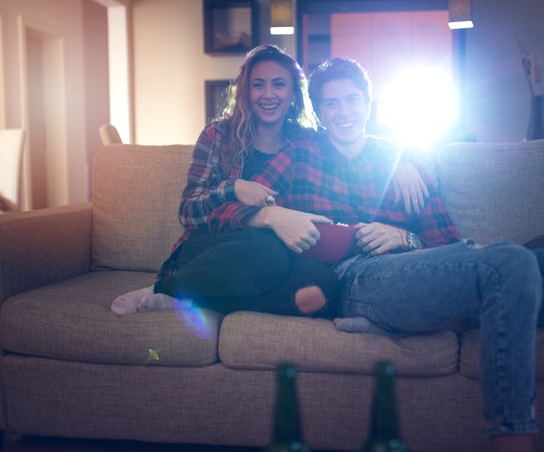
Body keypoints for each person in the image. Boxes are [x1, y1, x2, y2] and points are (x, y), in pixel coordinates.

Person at [210, 57, 544, 452]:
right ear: (318, 111)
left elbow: (445, 245)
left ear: (368, 103)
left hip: (418, 272)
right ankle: (512, 435)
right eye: (330, 103)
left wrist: (403, 238)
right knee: (510, 263)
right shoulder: (299, 155)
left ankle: (444, 317)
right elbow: (228, 209)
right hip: (355, 278)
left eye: (351, 99)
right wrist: (270, 214)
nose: (342, 111)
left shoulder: (402, 160)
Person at [112, 45, 425, 318]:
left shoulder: (304, 140)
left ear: (293, 93)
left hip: (280, 250)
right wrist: (233, 188)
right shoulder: (217, 136)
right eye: (258, 85)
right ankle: (164, 288)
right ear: (245, 91)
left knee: (323, 286)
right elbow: (188, 212)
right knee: (268, 251)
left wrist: (400, 158)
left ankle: (202, 302)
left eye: (279, 84)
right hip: (215, 247)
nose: (268, 94)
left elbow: (352, 134)